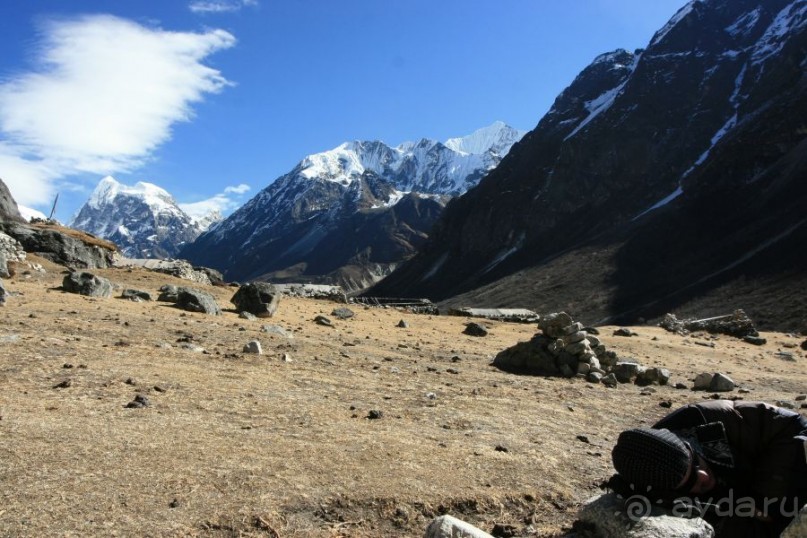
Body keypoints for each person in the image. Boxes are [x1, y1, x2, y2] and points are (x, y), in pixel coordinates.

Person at [609, 400, 807, 537]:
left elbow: (794, 429)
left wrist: (758, 501)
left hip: (788, 439)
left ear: (690, 447)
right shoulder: (653, 475)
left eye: (696, 464)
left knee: (776, 515)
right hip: (742, 476)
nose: (703, 476)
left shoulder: (707, 423)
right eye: (692, 483)